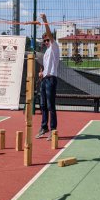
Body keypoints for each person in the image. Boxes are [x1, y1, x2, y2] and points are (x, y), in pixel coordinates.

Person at [35, 13, 60, 141]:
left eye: (47, 40)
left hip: (51, 80)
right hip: (45, 79)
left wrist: (45, 20)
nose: (45, 42)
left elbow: (49, 34)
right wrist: (42, 73)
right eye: (44, 40)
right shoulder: (46, 53)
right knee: (43, 104)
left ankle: (53, 129)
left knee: (51, 105)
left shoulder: (54, 47)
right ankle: (44, 127)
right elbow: (45, 66)